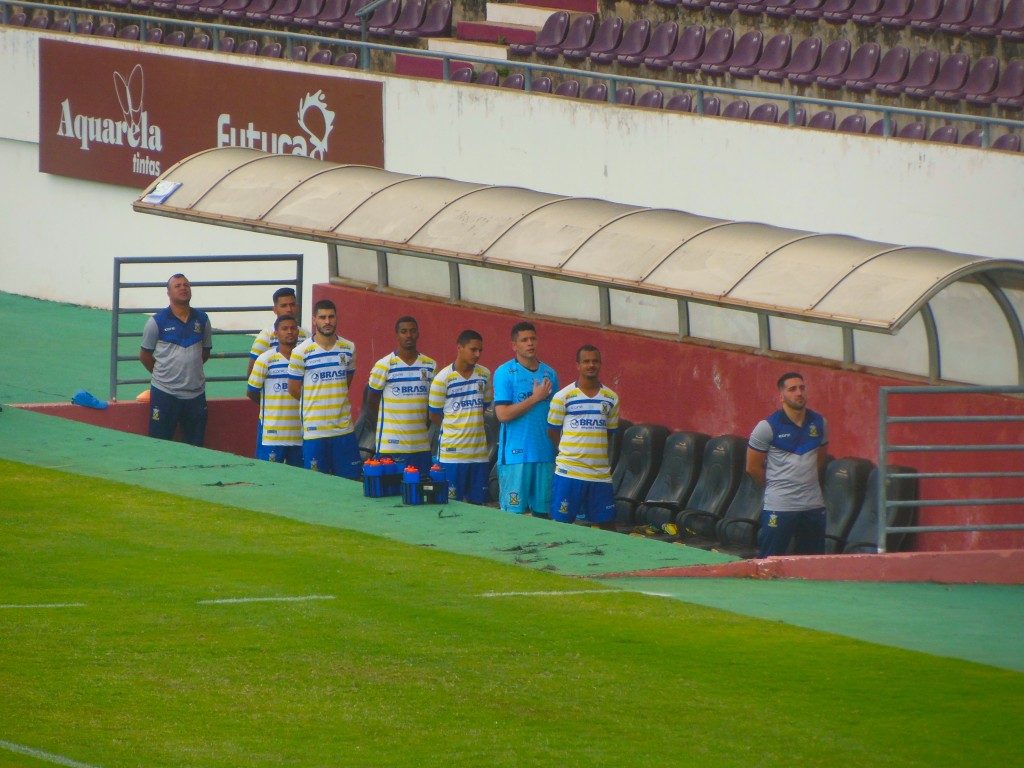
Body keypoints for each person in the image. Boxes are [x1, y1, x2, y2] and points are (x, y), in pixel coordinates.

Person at [746, 371, 829, 558]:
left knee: (813, 564)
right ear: (781, 396)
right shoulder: (766, 427)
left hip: (813, 505)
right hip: (780, 506)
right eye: (792, 389)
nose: (799, 393)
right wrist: (776, 489)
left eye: (802, 388)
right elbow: (752, 467)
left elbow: (820, 459)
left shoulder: (820, 423)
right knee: (770, 562)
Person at [547, 345, 619, 530]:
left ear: (600, 364)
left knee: (607, 526)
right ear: (578, 365)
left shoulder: (611, 398)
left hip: (599, 473)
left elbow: (609, 432)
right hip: (569, 471)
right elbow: (552, 430)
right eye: (586, 361)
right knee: (562, 525)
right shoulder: (563, 396)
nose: (591, 365)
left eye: (595, 361)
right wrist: (567, 453)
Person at [287, 299, 360, 479]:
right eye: (322, 317)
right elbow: (294, 389)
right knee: (316, 484)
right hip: (315, 431)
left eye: (331, 317)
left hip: (343, 429)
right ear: (314, 320)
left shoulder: (349, 348)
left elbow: (346, 382)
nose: (327, 321)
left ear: (336, 318)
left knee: (350, 482)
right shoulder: (301, 352)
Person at [493, 321, 558, 516]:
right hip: (515, 455)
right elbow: (502, 415)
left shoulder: (550, 374)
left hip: (545, 454)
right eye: (524, 340)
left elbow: (555, 416)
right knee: (514, 514)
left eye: (533, 339)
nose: (530, 343)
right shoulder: (504, 373)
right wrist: (535, 398)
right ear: (514, 345)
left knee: (543, 515)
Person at [139, 273, 212, 446]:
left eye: (186, 285)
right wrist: (164, 376)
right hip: (164, 393)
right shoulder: (156, 322)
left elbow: (205, 353)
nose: (183, 288)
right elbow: (144, 356)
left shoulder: (203, 319)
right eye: (177, 286)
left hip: (196, 394)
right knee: (159, 445)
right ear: (169, 293)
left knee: (196, 446)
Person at [363, 316, 437, 474]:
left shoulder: (430, 365)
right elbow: (371, 403)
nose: (408, 335)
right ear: (397, 335)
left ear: (418, 334)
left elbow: (433, 404)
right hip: (391, 446)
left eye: (412, 331)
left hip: (420, 446)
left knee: (418, 491)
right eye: (404, 331)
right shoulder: (384, 365)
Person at [428, 330, 492, 504]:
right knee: (450, 504)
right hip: (452, 455)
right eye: (473, 350)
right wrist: (454, 427)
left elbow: (485, 405)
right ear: (459, 348)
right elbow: (434, 414)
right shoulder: (442, 379)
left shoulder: (485, 374)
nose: (477, 354)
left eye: (480, 350)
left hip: (479, 453)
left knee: (478, 505)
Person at [246, 315, 302, 466]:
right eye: (284, 329)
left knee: (300, 479)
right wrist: (271, 408)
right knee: (268, 477)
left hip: (300, 434)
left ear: (297, 332)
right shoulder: (265, 360)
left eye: (293, 328)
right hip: (272, 434)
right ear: (276, 333)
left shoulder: (304, 359)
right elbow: (251, 392)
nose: (289, 332)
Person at [247, 287, 309, 376]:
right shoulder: (265, 336)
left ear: (297, 307)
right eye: (284, 306)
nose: (289, 309)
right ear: (275, 310)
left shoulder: (306, 335)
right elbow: (252, 373)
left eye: (292, 305)